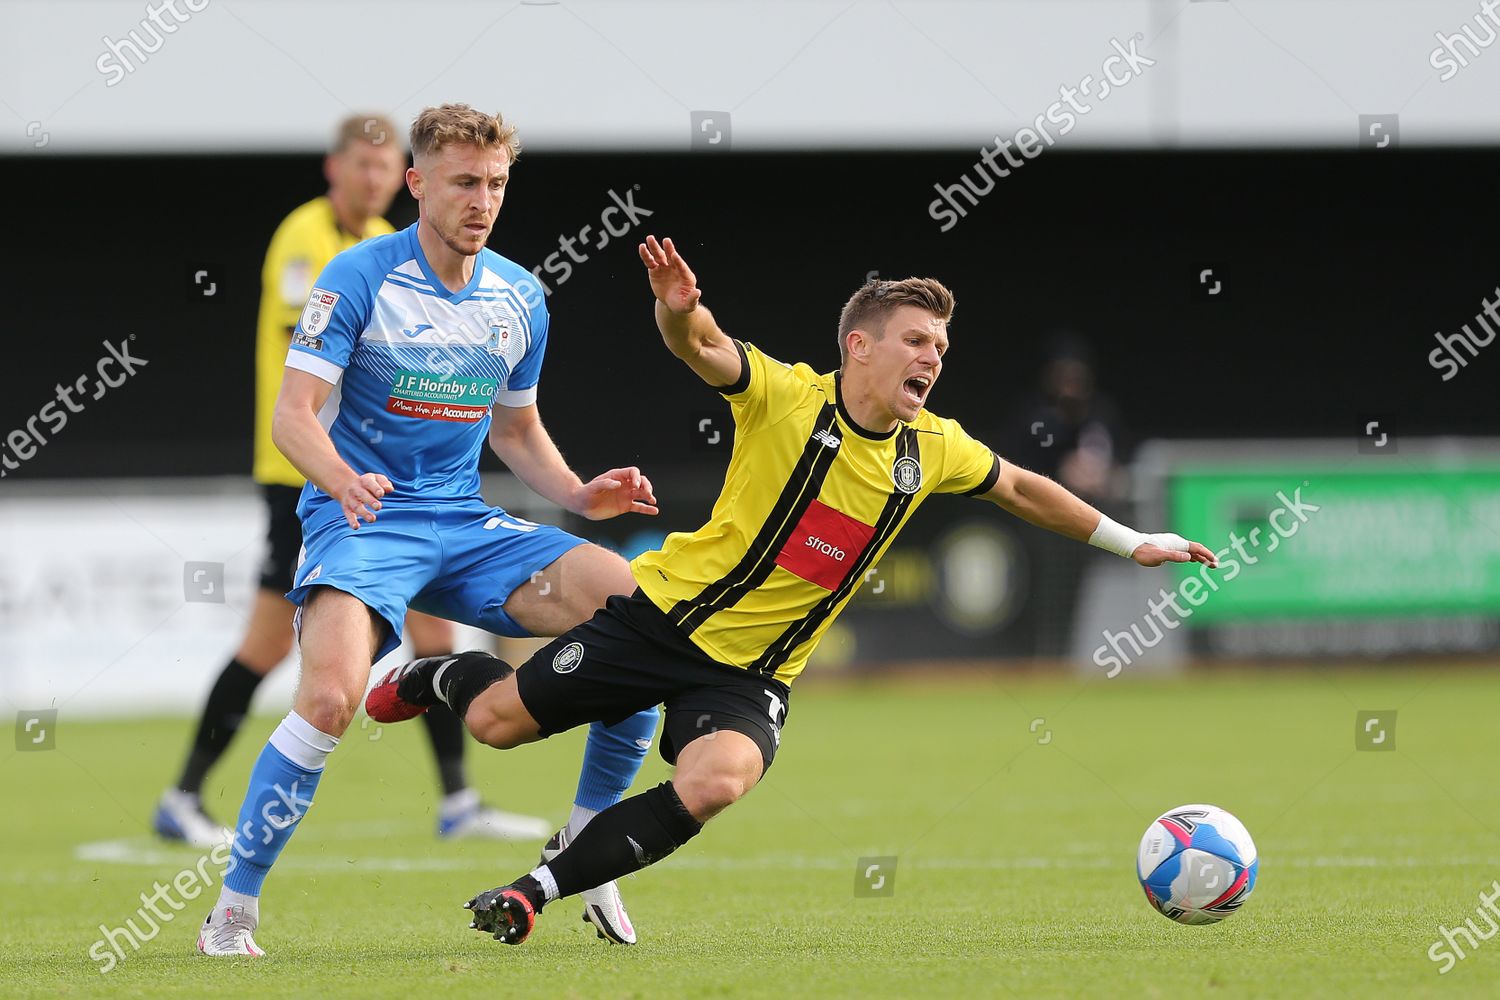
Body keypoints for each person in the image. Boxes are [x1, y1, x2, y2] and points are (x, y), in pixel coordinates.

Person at [364, 235, 1220, 946]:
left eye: (942, 348)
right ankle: (434, 675)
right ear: (860, 344)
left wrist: (1133, 539)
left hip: (751, 678)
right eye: (917, 341)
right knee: (494, 723)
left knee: (719, 781)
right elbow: (702, 345)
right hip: (660, 623)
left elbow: (1025, 488)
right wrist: (677, 306)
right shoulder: (784, 397)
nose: (934, 358)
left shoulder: (934, 447)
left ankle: (532, 891)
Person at [196, 105, 662, 957]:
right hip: (361, 520)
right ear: (418, 184)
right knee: (331, 699)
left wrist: (579, 493)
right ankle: (233, 907)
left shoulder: (521, 296)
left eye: (495, 184)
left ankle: (587, 842)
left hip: (466, 519)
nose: (482, 200)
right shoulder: (357, 277)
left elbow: (514, 430)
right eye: (464, 183)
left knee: (641, 616)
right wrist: (341, 478)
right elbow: (291, 417)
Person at [155, 114, 548, 850]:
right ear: (334, 169)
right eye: (361, 167)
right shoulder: (313, 242)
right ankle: (182, 795)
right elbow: (305, 353)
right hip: (307, 474)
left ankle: (458, 799)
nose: (371, 180)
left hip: (385, 486)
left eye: (382, 167)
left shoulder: (387, 252)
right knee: (270, 646)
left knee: (435, 633)